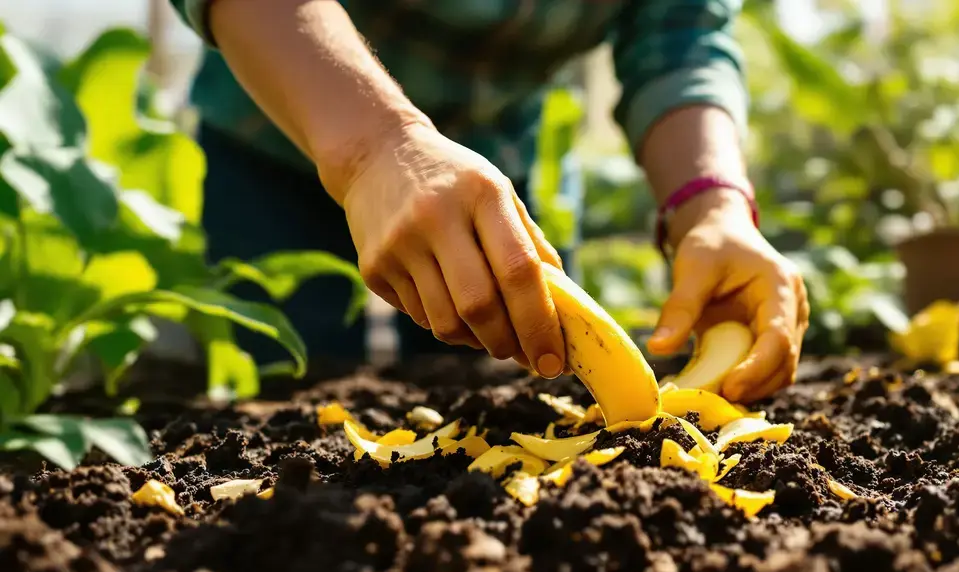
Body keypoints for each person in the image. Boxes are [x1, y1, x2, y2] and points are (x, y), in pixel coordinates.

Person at [168, 0, 809, 402]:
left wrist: (713, 205)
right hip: (276, 130)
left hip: (493, 162)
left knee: (491, 383)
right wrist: (375, 150)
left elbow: (680, 35)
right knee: (286, 384)